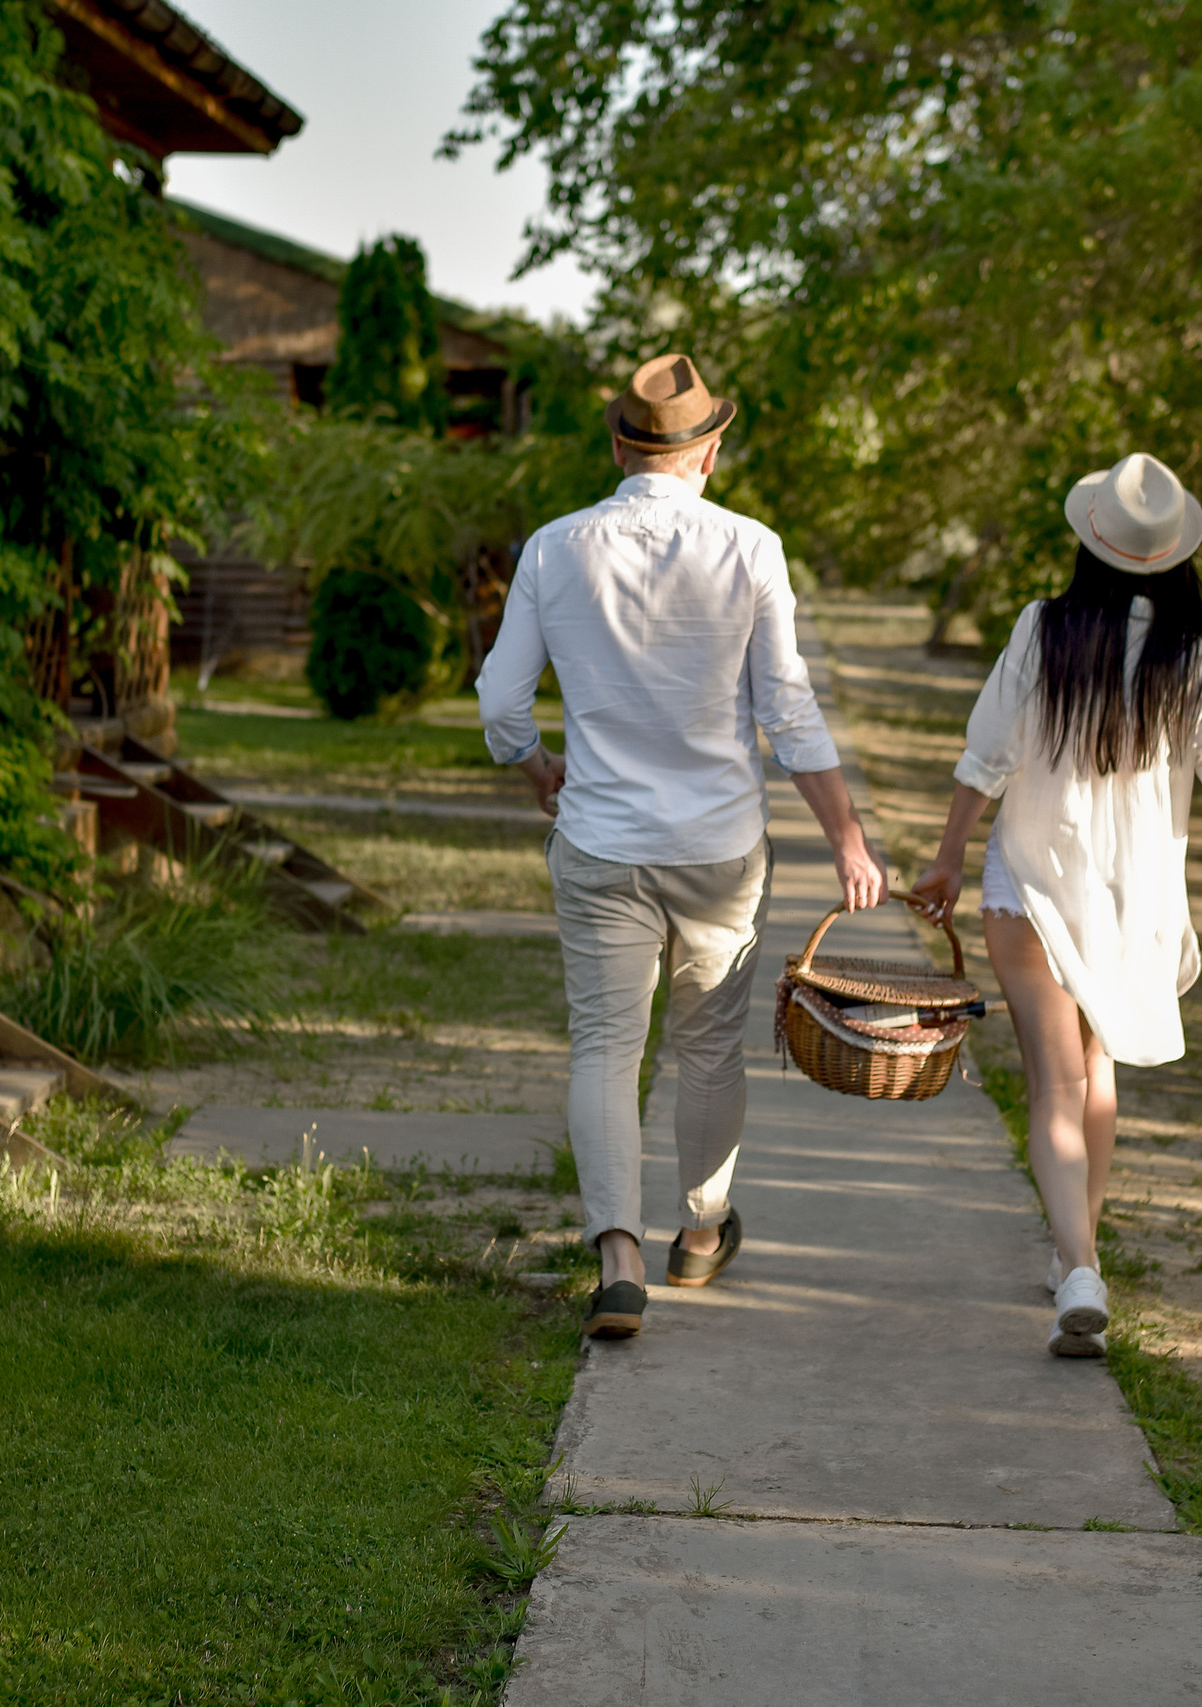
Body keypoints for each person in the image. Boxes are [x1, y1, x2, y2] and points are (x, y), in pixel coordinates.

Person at [478, 353, 886, 1341]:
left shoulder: (555, 546)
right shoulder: (751, 548)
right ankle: (700, 1234)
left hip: (601, 843)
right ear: (709, 452)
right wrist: (847, 838)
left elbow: (499, 700)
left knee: (606, 1052)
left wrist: (537, 768)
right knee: (706, 1051)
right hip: (717, 848)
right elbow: (787, 711)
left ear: (619, 445)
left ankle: (616, 1258)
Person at [909, 453, 1202, 1356]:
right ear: (1172, 557)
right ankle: (1082, 1262)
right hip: (1128, 905)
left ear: (1092, 543)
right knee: (1092, 1077)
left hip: (1028, 887)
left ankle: (1076, 1265)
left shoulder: (1042, 629)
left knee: (1055, 1084)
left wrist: (949, 860)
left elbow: (984, 759)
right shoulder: (1193, 659)